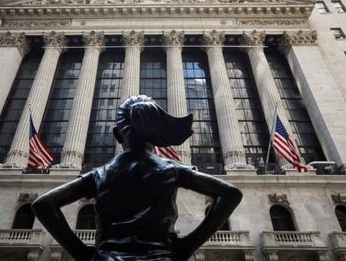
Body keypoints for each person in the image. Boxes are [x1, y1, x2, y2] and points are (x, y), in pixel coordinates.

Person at [32, 95, 242, 261]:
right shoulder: (171, 169)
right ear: (154, 134)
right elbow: (231, 193)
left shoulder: (99, 175)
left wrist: (82, 253)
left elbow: (43, 204)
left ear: (117, 134)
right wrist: (188, 245)